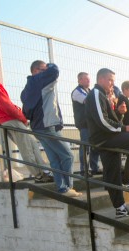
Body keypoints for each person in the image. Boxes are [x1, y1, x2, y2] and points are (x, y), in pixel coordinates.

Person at [85, 68, 129, 217]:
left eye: (113, 80)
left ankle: (120, 208)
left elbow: (108, 119)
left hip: (106, 138)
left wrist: (120, 113)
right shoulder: (95, 94)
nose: (113, 83)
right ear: (101, 79)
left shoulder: (103, 95)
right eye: (110, 80)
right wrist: (124, 127)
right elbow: (102, 121)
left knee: (113, 175)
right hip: (105, 139)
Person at [0, 61, 53, 183]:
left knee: (32, 144)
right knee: (27, 148)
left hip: (6, 120)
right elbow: (6, 106)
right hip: (10, 120)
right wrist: (22, 117)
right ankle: (39, 175)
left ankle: (44, 171)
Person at [21, 60, 80, 197]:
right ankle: (66, 188)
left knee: (54, 158)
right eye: (42, 69)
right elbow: (54, 71)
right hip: (47, 126)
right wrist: (50, 65)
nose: (45, 72)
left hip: (38, 127)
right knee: (68, 156)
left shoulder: (27, 88)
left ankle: (61, 188)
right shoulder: (38, 80)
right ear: (35, 71)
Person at [72, 72, 101, 176]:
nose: (88, 81)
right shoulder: (77, 91)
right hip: (84, 124)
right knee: (85, 147)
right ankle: (83, 169)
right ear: (79, 80)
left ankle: (94, 168)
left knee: (95, 146)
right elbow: (89, 102)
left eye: (89, 79)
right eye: (85, 79)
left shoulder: (89, 91)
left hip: (92, 124)